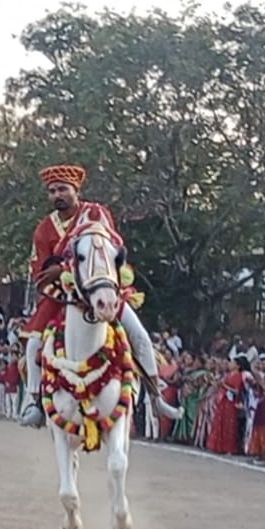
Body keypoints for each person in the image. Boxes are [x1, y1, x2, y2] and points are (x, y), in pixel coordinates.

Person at [18, 164, 179, 427]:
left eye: (62, 189)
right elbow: (40, 269)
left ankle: (156, 395)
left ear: (76, 190)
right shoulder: (44, 229)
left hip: (100, 289)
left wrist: (72, 268)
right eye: (52, 191)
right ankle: (34, 402)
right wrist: (60, 277)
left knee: (138, 334)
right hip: (62, 295)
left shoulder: (95, 213)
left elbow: (111, 248)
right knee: (34, 344)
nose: (57, 194)